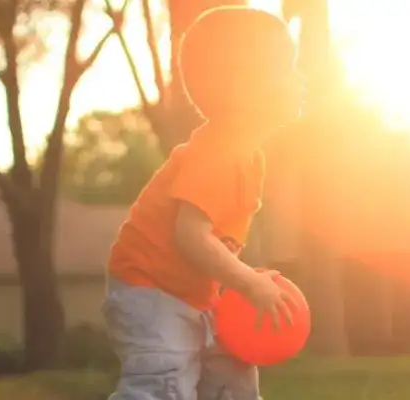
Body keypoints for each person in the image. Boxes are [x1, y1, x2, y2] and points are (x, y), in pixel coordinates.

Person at [103, 6, 302, 400]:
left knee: (231, 374)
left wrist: (239, 281)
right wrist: (248, 282)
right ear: (242, 86)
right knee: (164, 382)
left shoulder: (246, 153)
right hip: (151, 287)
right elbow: (190, 237)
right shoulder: (218, 151)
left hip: (193, 292)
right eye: (285, 68)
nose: (299, 79)